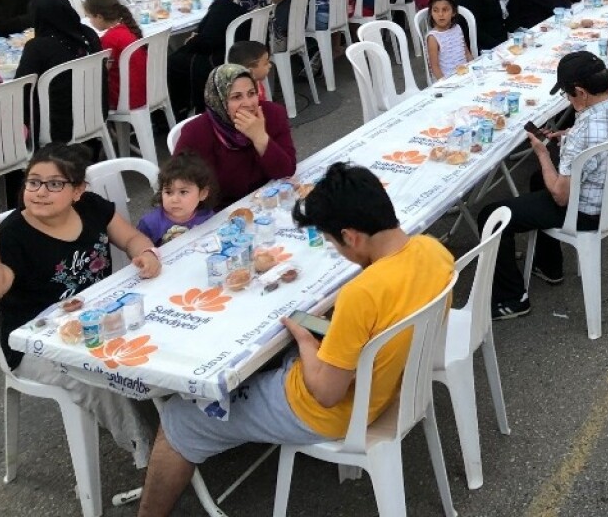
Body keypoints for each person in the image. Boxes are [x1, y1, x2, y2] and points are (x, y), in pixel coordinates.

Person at [135, 162, 453, 517]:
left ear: (350, 236)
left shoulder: (362, 293)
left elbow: (327, 394)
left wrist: (305, 340)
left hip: (328, 411)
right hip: (392, 385)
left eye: (333, 243)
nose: (338, 251)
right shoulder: (433, 250)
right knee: (269, 355)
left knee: (181, 415)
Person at [0, 144, 161, 468]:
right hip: (35, 343)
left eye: (55, 184)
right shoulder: (12, 234)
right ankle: (148, 453)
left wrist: (146, 253)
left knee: (156, 328)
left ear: (78, 190)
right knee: (94, 375)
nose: (40, 192)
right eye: (33, 182)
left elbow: (132, 238)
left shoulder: (92, 208)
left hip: (98, 317)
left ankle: (177, 412)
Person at [477, 52, 608, 319]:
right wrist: (565, 135)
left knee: (491, 214)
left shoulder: (583, 132)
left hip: (586, 211)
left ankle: (512, 299)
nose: (567, 99)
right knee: (536, 180)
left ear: (581, 92)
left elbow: (559, 196)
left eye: (568, 94)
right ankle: (549, 264)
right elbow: (604, 136)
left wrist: (543, 153)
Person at [171, 64, 295, 209]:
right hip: (220, 213)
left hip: (270, 199)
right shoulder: (196, 132)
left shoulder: (273, 114)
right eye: (236, 97)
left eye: (251, 93)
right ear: (219, 100)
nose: (248, 103)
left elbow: (286, 171)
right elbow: (178, 185)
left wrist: (260, 138)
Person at [166, 0, 268, 114]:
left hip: (226, 54)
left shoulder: (227, 2)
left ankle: (180, 109)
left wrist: (193, 41)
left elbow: (209, 40)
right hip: (251, 46)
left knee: (174, 61)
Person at [16, 0, 105, 145]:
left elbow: (22, 87)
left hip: (57, 124)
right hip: (95, 110)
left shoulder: (38, 47)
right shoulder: (87, 34)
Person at [83, 0, 147, 111]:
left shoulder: (109, 40)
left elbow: (101, 72)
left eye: (89, 17)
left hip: (127, 98)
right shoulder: (128, 29)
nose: (90, 21)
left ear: (99, 17)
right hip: (145, 89)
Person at [136, 152, 216, 246]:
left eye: (183, 192)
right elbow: (140, 252)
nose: (174, 199)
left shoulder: (207, 216)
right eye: (168, 192)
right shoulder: (149, 224)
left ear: (203, 194)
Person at [425, 0, 473, 81]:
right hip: (447, 80)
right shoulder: (433, 38)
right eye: (435, 10)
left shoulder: (458, 28)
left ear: (454, 12)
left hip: (465, 75)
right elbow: (435, 67)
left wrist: (473, 67)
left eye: (445, 10)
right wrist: (446, 83)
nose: (440, 14)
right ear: (431, 13)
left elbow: (466, 53)